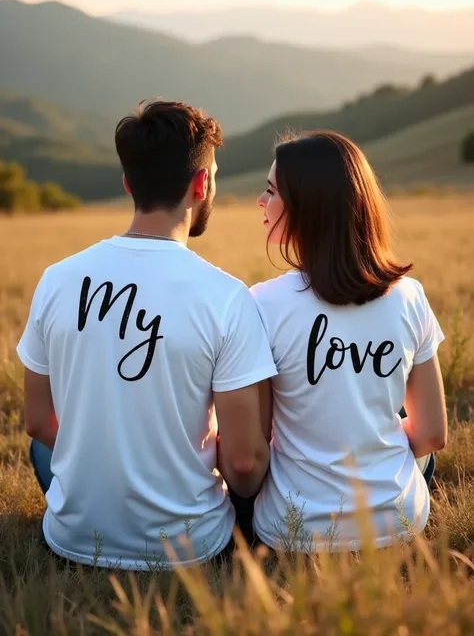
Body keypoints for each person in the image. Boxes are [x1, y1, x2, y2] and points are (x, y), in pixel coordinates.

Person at [17, 99, 276, 570]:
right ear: (201, 185)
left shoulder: (57, 279)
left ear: (127, 183)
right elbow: (242, 465)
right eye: (213, 176)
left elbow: (37, 421)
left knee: (42, 447)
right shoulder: (226, 297)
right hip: (192, 550)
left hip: (71, 538)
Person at [250, 130, 447, 553]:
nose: (261, 203)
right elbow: (432, 434)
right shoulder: (408, 295)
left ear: (308, 208)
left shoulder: (262, 304)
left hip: (292, 530)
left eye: (271, 191)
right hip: (398, 522)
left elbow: (258, 441)